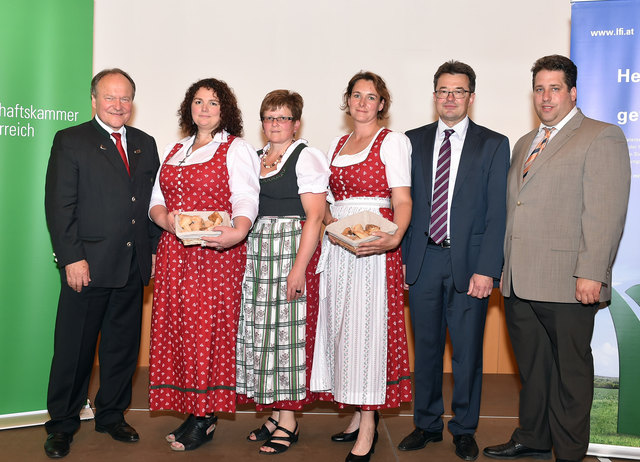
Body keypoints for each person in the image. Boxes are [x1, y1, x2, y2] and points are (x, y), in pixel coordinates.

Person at [483, 55, 630, 462]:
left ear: (573, 92)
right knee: (533, 371)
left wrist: (591, 273)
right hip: (518, 281)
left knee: (570, 374)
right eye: (539, 88)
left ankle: (568, 452)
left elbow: (605, 213)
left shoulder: (602, 136)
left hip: (568, 280)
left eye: (554, 88)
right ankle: (533, 436)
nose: (545, 97)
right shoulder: (525, 142)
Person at [43, 68, 162, 458]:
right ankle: (62, 423)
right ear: (94, 100)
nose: (118, 105)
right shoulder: (71, 140)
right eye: (110, 97)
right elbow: (60, 205)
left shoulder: (146, 143)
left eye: (125, 97)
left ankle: (112, 414)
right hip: (87, 267)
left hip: (131, 265)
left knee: (122, 349)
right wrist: (72, 257)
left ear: (133, 102)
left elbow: (151, 205)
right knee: (74, 351)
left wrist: (154, 251)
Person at [398, 61, 510, 461]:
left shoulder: (494, 144)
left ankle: (464, 428)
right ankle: (426, 424)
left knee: (467, 353)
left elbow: (498, 213)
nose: (450, 97)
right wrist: (406, 259)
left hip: (469, 264)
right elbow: (404, 204)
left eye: (458, 91)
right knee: (425, 349)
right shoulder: (411, 141)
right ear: (434, 96)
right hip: (424, 260)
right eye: (443, 90)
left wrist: (487, 269)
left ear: (471, 97)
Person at [147, 78, 260, 452]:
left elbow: (245, 196)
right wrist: (165, 220)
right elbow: (157, 199)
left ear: (224, 109)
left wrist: (238, 232)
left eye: (213, 102)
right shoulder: (175, 148)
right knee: (179, 330)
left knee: (207, 332)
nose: (205, 108)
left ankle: (206, 415)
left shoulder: (235, 148)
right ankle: (193, 408)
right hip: (175, 252)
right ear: (189, 107)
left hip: (215, 254)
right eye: (198, 101)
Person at [310, 71, 413, 462]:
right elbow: (327, 202)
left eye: (371, 97)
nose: (363, 102)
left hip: (374, 246)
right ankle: (356, 414)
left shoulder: (393, 142)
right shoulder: (337, 143)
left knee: (366, 334)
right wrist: (329, 225)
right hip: (338, 246)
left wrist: (395, 236)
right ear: (348, 100)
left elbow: (402, 200)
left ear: (381, 103)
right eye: (357, 95)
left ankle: (369, 424)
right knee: (342, 330)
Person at [235, 89, 330, 455]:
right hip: (260, 251)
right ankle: (275, 413)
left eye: (283, 118)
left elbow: (315, 217)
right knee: (265, 334)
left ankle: (289, 418)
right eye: (269, 118)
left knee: (287, 336)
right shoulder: (258, 157)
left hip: (290, 248)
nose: (275, 124)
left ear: (296, 123)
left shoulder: (307, 158)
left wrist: (299, 269)